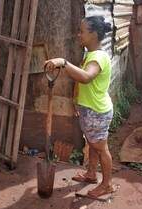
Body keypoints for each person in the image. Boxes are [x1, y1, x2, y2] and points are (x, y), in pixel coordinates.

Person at [44, 16, 114, 198]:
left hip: (97, 111)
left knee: (101, 148)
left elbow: (86, 77)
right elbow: (83, 83)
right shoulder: (90, 55)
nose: (78, 34)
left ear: (94, 34)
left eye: (82, 31)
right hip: (89, 109)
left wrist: (64, 63)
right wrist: (77, 100)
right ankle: (91, 174)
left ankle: (107, 185)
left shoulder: (98, 57)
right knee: (92, 144)